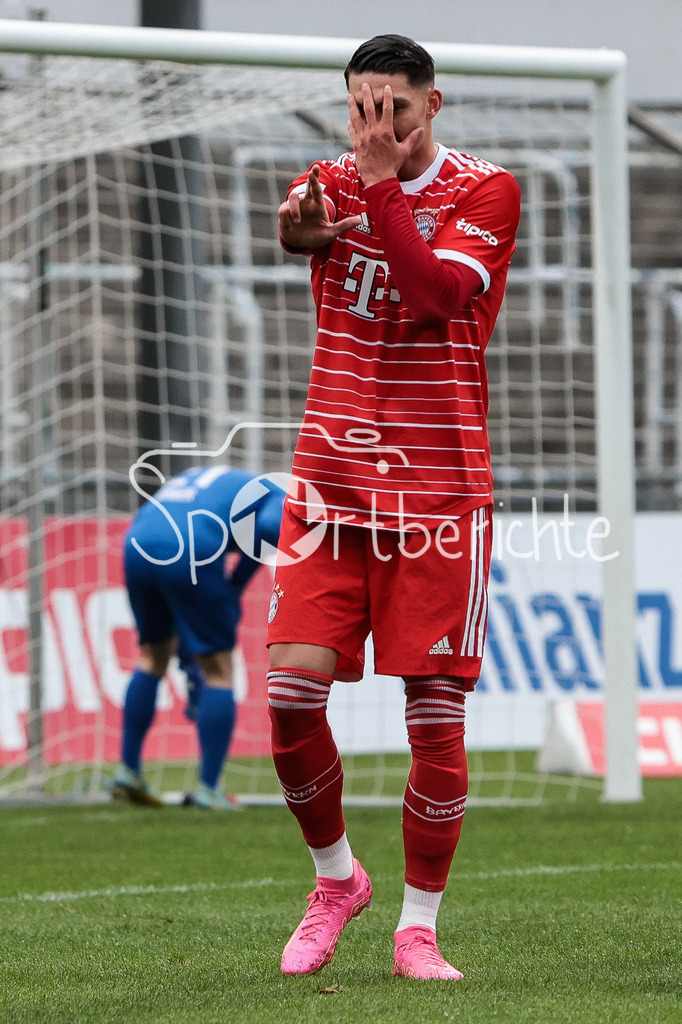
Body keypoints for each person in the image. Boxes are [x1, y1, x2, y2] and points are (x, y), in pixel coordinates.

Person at [267, 35, 520, 979]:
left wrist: (376, 191)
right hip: (330, 483)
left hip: (440, 491)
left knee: (434, 716)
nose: (377, 131)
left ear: (435, 105)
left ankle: (419, 926)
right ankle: (337, 879)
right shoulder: (335, 175)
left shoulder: (488, 192)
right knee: (290, 692)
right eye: (361, 111)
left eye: (395, 113)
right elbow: (297, 231)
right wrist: (301, 227)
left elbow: (434, 293)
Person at [111, 465, 284, 810]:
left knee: (151, 657)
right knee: (218, 670)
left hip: (137, 542)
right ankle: (209, 788)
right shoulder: (280, 493)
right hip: (190, 547)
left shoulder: (209, 476)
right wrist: (237, 585)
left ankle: (128, 770)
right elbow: (269, 527)